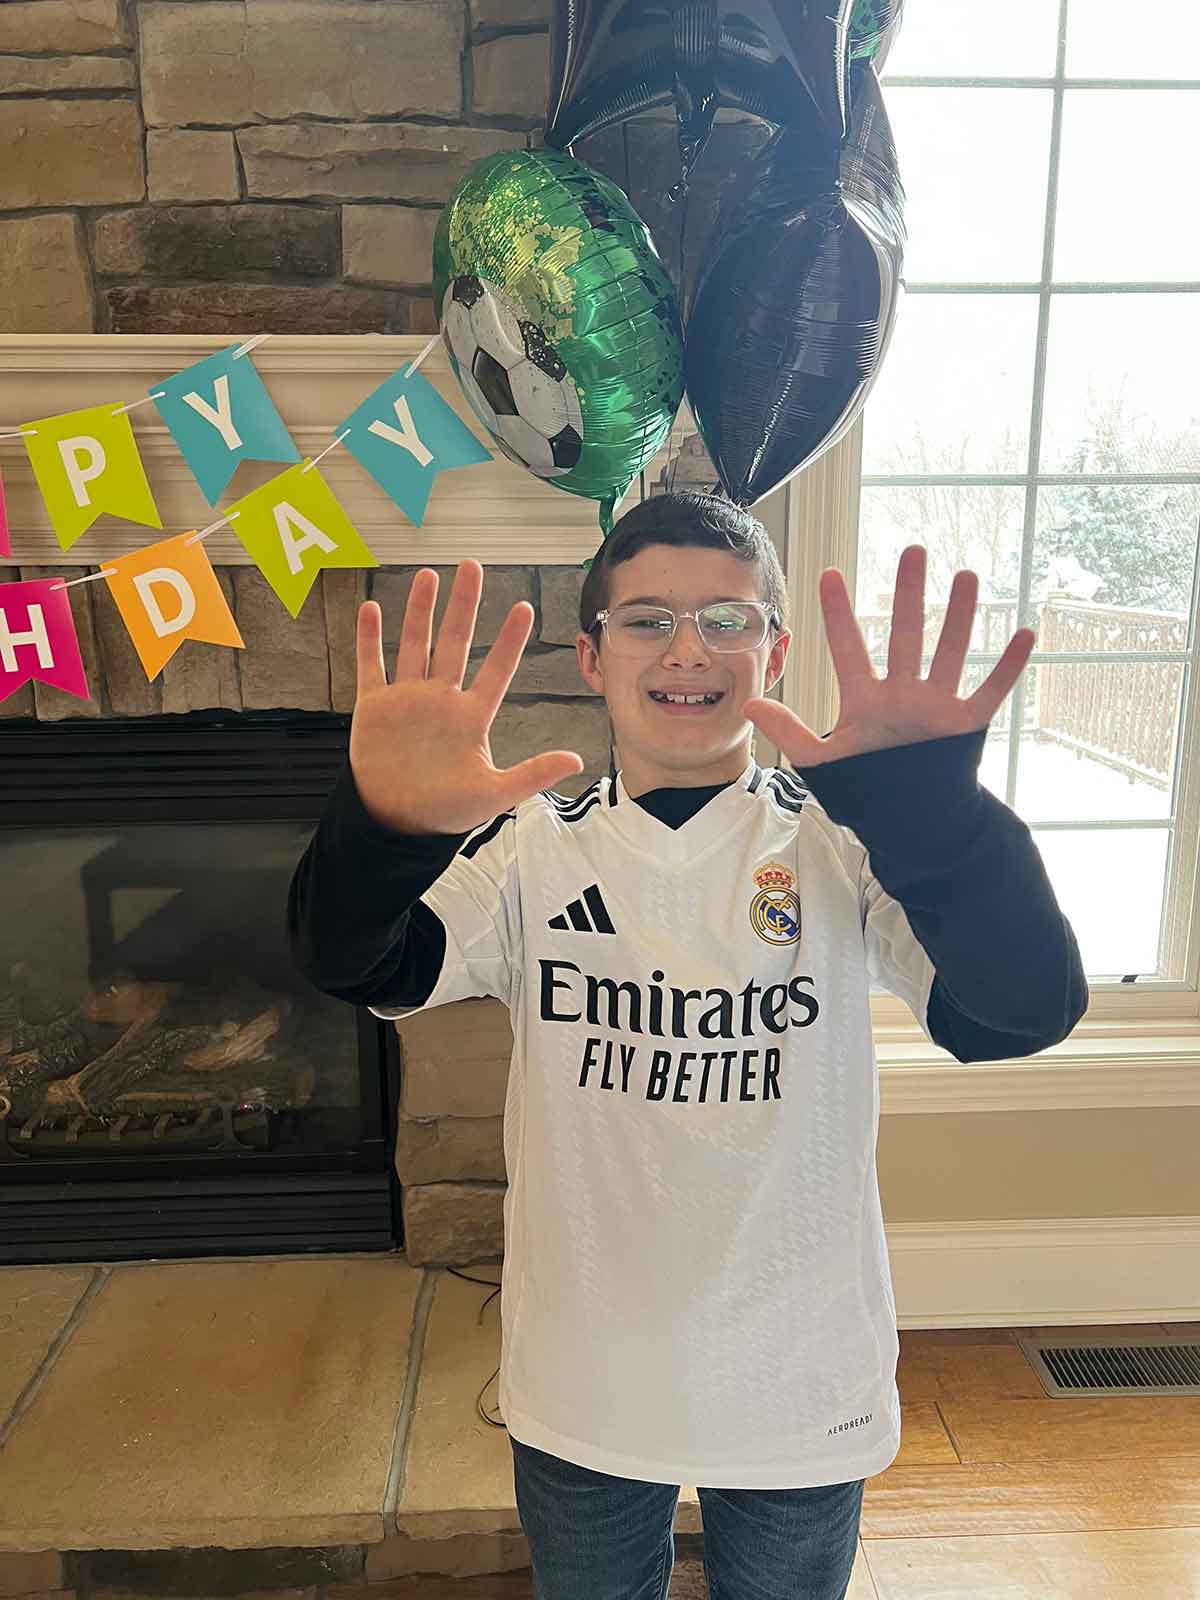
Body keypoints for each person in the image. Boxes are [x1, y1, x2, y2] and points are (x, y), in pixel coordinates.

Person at [287, 490, 1088, 1600]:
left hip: (801, 1377)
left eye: (726, 618)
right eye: (649, 619)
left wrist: (937, 821)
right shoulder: (533, 844)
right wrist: (378, 831)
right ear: (594, 651)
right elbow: (361, 963)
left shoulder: (842, 839)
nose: (687, 650)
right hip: (585, 1380)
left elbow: (1020, 1010)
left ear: (774, 646)